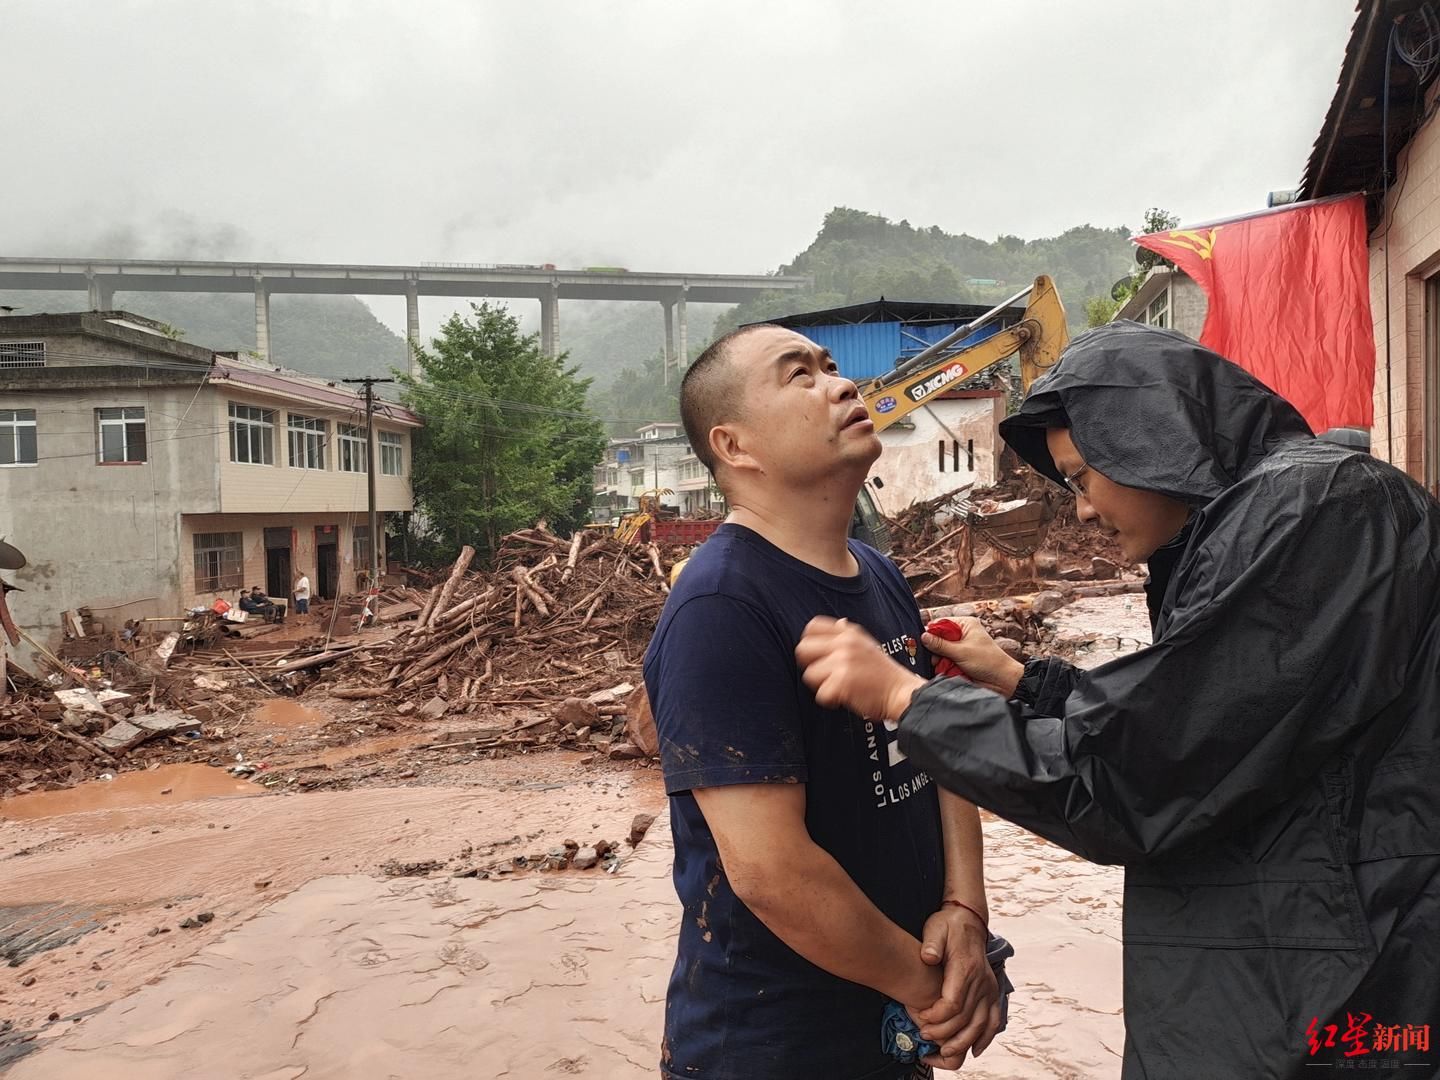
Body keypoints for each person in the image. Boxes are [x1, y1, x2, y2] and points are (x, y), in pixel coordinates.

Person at [795, 322, 1440, 1078]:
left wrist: (908, 699)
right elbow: (1198, 717)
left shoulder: (1315, 512)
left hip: (1327, 1007)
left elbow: (1133, 776)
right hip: (1293, 972)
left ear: (1152, 440)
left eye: (1080, 478)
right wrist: (1021, 682)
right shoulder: (1271, 517)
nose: (1083, 512)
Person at [644, 324, 1012, 1080]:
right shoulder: (722, 605)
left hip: (884, 1030)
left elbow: (939, 754)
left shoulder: (877, 575)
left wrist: (965, 914)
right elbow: (771, 870)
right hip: (773, 1047)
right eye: (800, 375)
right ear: (735, 446)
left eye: (834, 366)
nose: (842, 385)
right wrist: (929, 991)